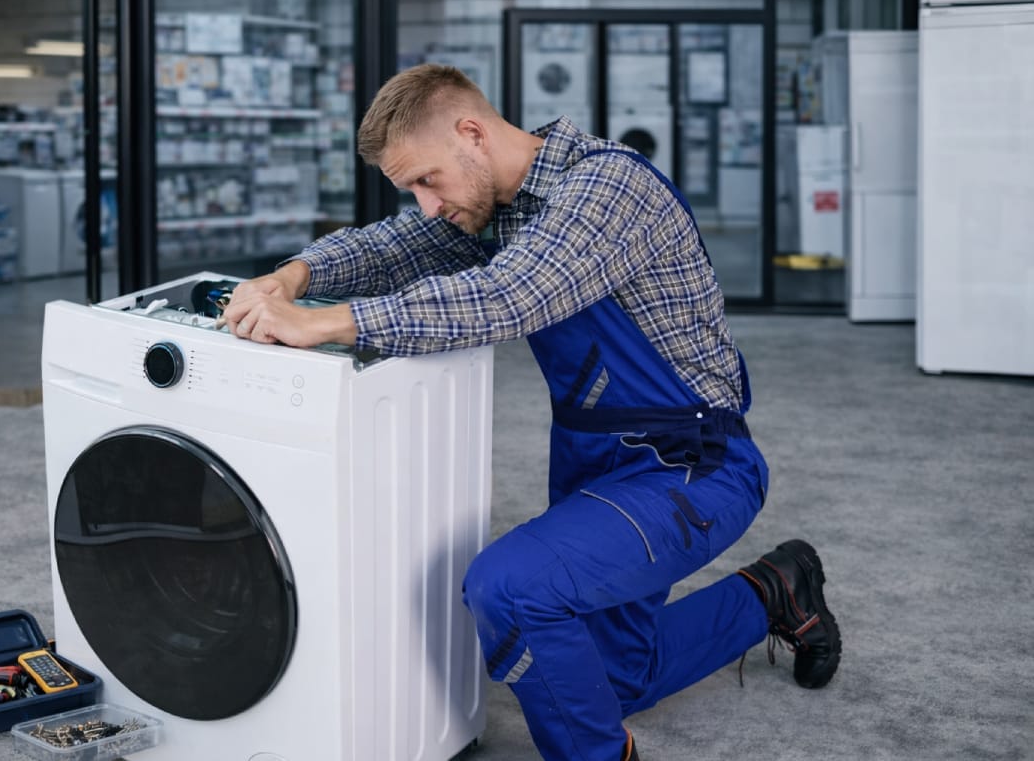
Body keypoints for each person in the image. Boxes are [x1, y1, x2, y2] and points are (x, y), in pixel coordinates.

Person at [222, 63, 841, 761]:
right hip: (594, 467)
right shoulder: (497, 207)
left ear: (471, 133)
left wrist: (323, 323)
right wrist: (291, 276)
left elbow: (507, 297)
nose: (427, 204)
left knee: (510, 589)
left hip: (692, 465)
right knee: (614, 675)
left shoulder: (609, 186)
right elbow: (388, 247)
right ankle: (777, 590)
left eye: (427, 180)